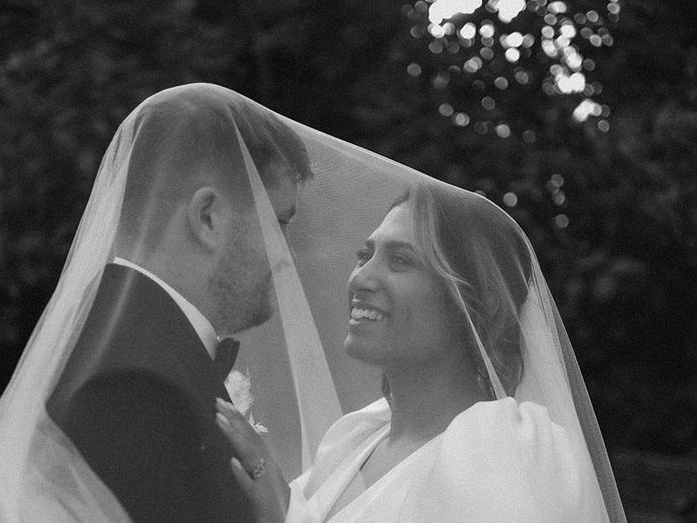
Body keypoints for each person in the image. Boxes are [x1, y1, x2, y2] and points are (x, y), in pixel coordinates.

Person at [0, 84, 312, 522]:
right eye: (278, 225)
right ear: (208, 217)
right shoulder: (133, 388)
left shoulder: (117, 336)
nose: (286, 257)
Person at [217, 182, 626, 522]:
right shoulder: (353, 438)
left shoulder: (501, 448)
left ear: (470, 303)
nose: (361, 277)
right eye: (364, 255)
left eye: (400, 261)